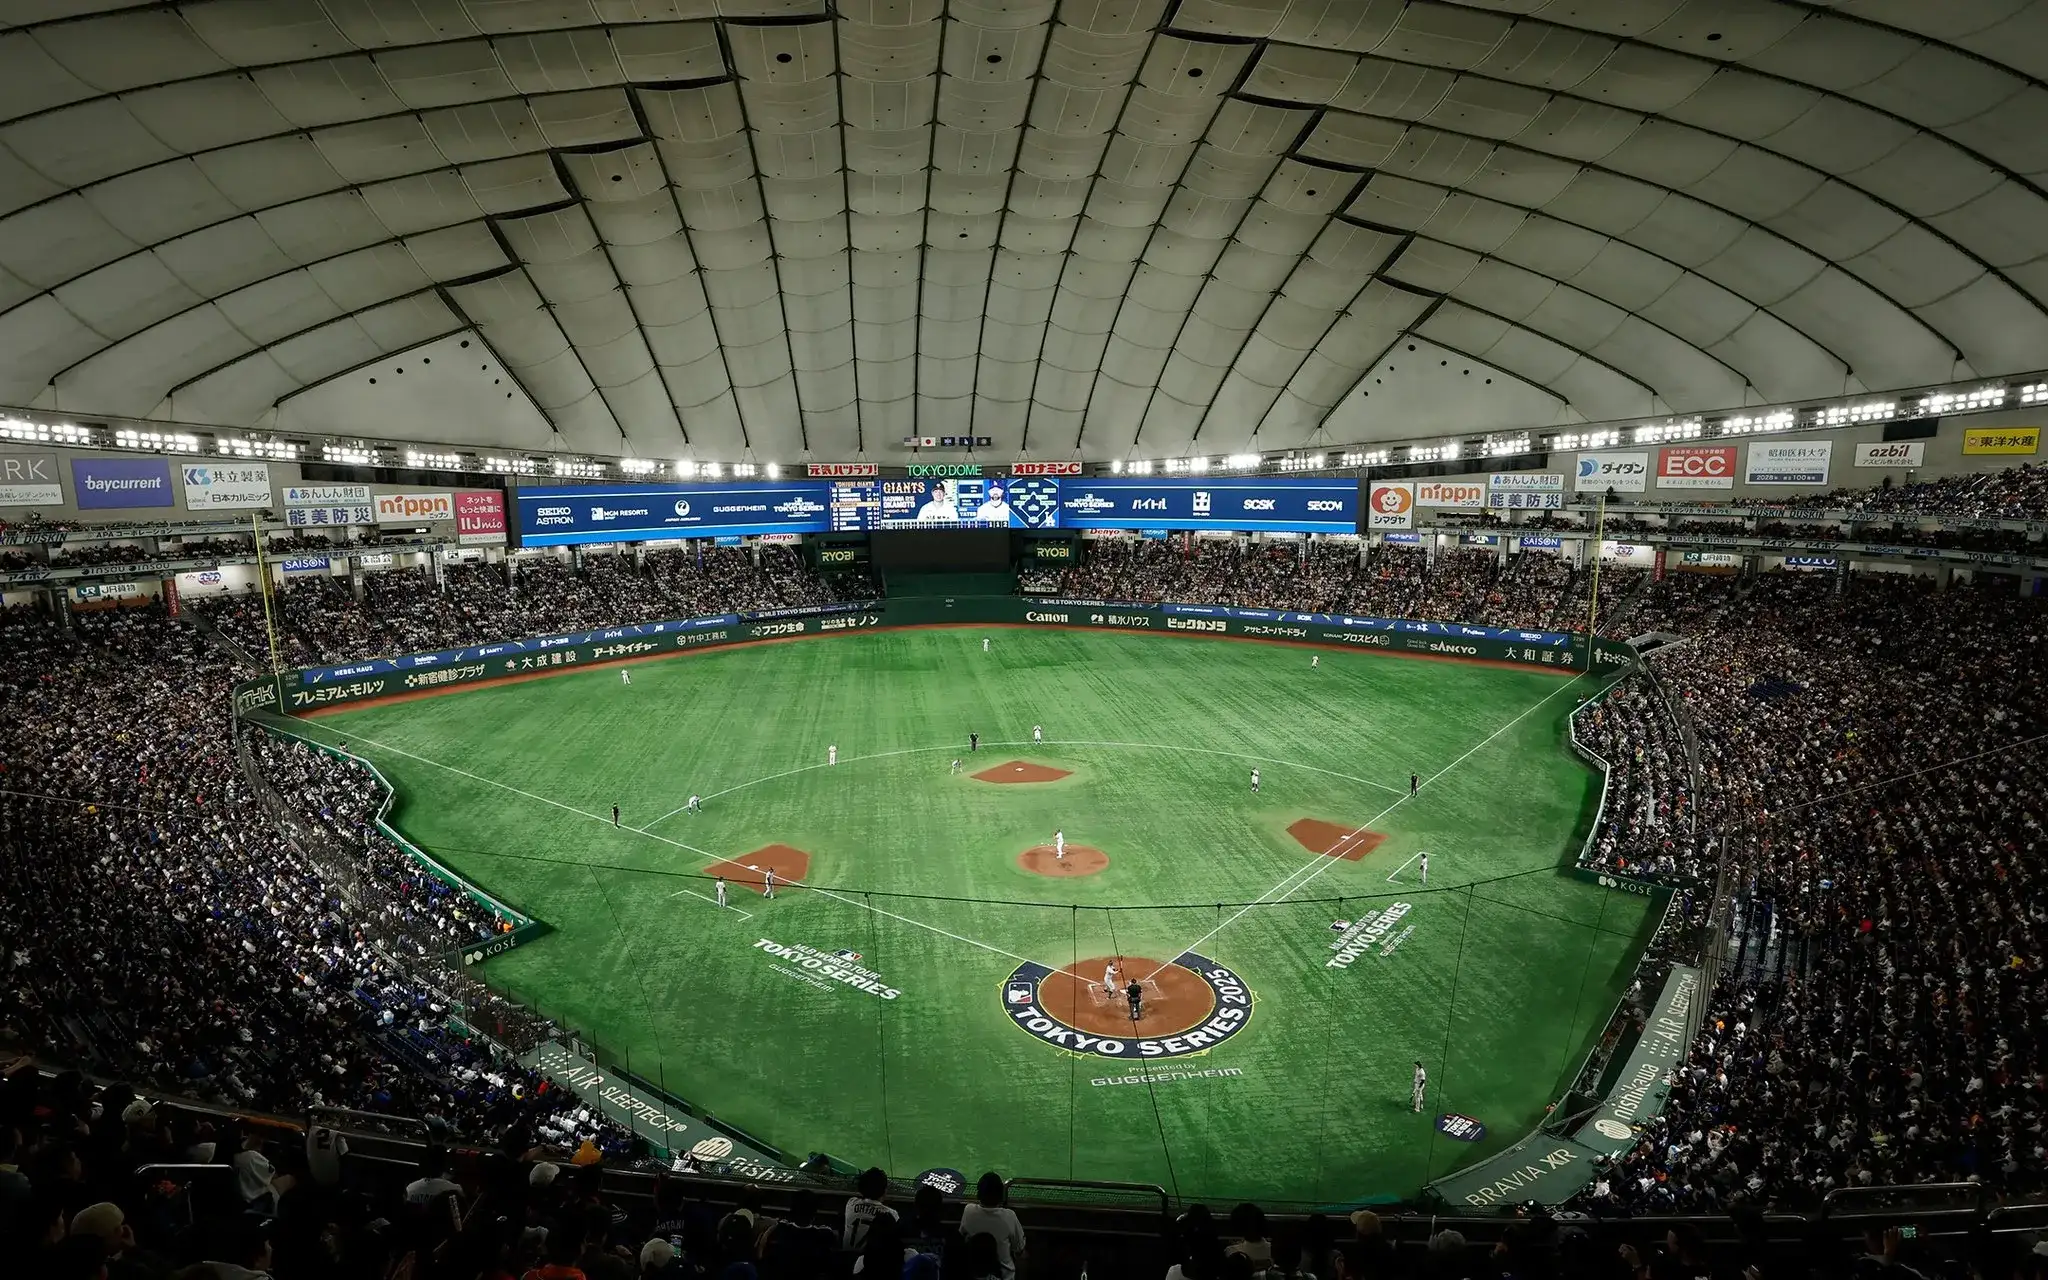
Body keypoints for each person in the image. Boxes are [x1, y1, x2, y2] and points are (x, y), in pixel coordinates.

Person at [958, 1171, 1027, 1280]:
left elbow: (961, 1236)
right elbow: (1019, 1249)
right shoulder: (1009, 1216)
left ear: (979, 1194)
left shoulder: (969, 1211)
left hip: (973, 1275)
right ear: (1001, 1195)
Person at [842, 1166, 896, 1250]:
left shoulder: (851, 1203)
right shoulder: (891, 1214)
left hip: (845, 1258)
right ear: (884, 1191)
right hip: (870, 1261)